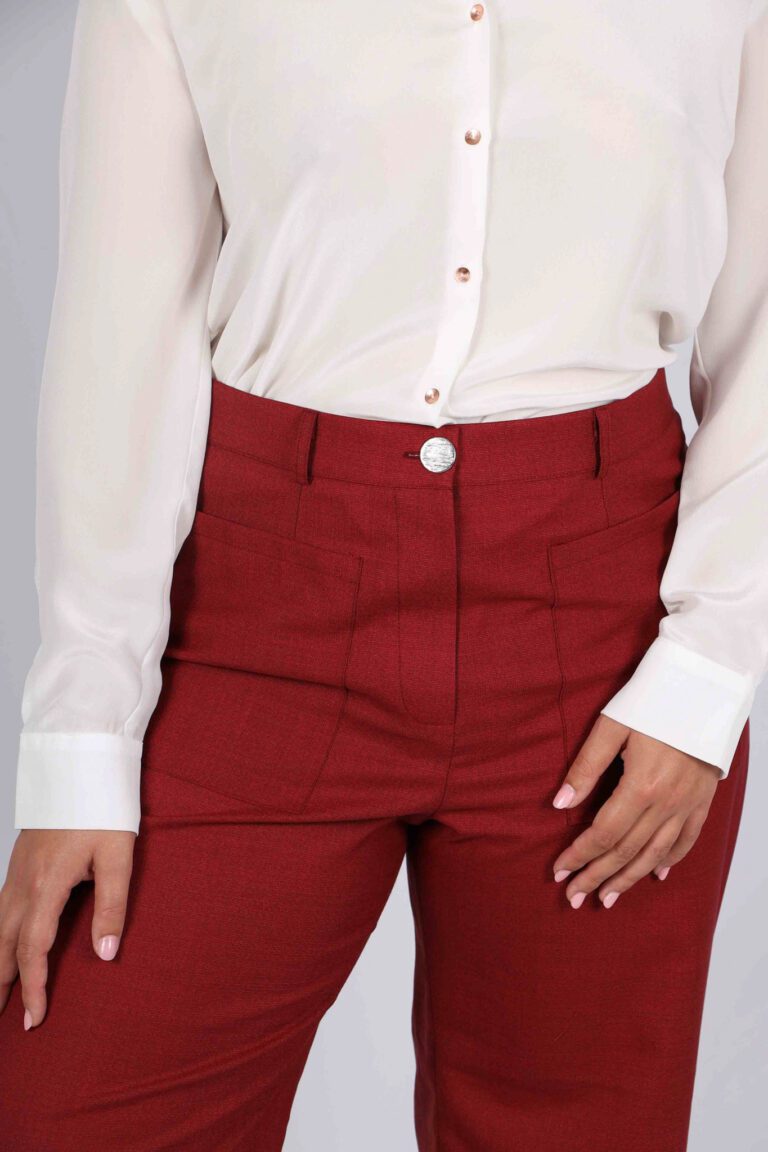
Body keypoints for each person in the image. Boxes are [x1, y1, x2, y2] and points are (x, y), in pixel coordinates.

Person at [0, 1, 765, 1149]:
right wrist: (79, 740)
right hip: (251, 615)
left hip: (602, 632)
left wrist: (706, 671)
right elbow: (122, 331)